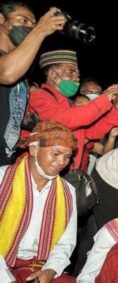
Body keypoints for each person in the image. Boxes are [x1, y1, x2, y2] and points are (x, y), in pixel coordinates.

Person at [0, 121, 77, 283]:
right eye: (56, 153)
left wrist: (49, 272)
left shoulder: (68, 192)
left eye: (67, 156)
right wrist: (4, 280)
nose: (62, 162)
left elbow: (66, 243)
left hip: (33, 267)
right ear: (33, 149)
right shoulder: (3, 178)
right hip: (2, 265)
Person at [0, 3, 65, 165]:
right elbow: (6, 74)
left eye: (33, 23)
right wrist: (40, 30)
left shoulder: (24, 75)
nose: (30, 26)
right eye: (24, 20)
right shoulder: (10, 68)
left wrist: (30, 136)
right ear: (1, 19)